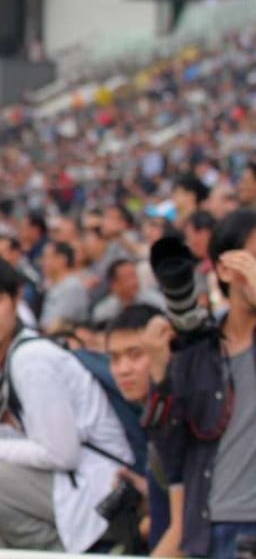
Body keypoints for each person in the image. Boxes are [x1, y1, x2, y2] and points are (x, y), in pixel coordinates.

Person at [0, 253, 132, 553]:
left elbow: (60, 454)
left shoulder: (31, 359)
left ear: (16, 301)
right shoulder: (16, 355)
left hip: (102, 492)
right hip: (84, 483)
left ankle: (62, 551)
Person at [148, 209, 256, 558]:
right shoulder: (200, 350)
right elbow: (171, 452)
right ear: (224, 269)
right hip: (208, 530)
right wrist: (160, 376)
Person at [104, 304, 174, 554]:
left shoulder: (177, 416)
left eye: (135, 354)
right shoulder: (153, 416)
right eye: (114, 358)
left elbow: (187, 525)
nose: (123, 369)